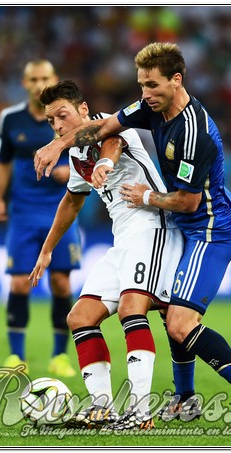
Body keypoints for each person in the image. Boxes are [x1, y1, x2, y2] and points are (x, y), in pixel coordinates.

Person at [34, 42, 231, 428]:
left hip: (207, 226)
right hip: (161, 227)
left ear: (176, 80)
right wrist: (58, 144)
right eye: (141, 85)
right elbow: (108, 129)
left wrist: (142, 192)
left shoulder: (194, 133)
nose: (144, 93)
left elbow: (184, 198)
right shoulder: (150, 108)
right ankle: (173, 400)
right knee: (118, 315)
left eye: (151, 85)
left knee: (174, 319)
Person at [28, 80, 184, 430]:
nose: (57, 125)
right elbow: (72, 201)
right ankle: (103, 410)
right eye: (51, 120)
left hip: (152, 226)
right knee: (80, 317)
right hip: (123, 240)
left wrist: (105, 164)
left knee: (132, 309)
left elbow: (113, 142)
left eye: (62, 115)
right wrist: (47, 250)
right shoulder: (76, 154)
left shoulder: (108, 123)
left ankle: (140, 413)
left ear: (83, 109)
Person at [0, 59, 80, 378]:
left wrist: (71, 171)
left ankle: (60, 356)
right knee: (19, 281)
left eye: (44, 78)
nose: (39, 84)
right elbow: (2, 161)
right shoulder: (10, 118)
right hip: (24, 211)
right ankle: (16, 355)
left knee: (61, 282)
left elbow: (89, 154)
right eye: (33, 79)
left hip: (62, 209)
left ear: (55, 79)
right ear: (24, 82)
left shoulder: (69, 117)